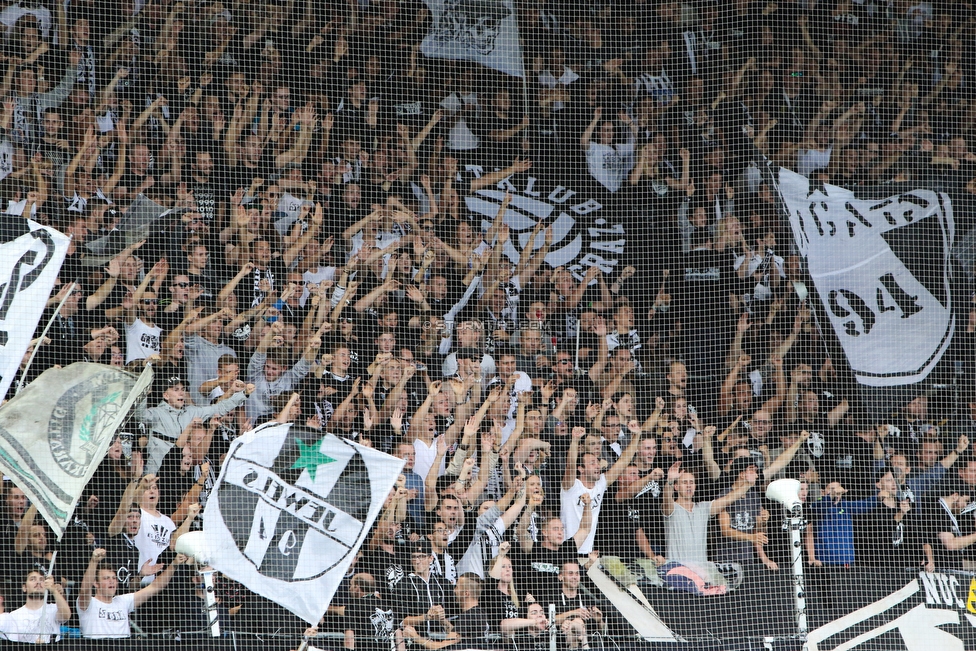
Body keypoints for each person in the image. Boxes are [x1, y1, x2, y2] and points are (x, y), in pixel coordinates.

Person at [76, 547, 187, 639]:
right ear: (95, 583)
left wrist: (174, 565)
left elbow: (155, 587)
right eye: (106, 578)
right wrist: (94, 562)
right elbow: (85, 590)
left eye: (114, 578)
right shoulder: (89, 603)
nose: (112, 581)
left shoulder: (123, 601)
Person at [0, 571, 71, 643]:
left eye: (41, 580)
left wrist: (54, 591)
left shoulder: (54, 609)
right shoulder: (14, 616)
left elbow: (66, 616)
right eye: (33, 579)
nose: (38, 582)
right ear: (24, 587)